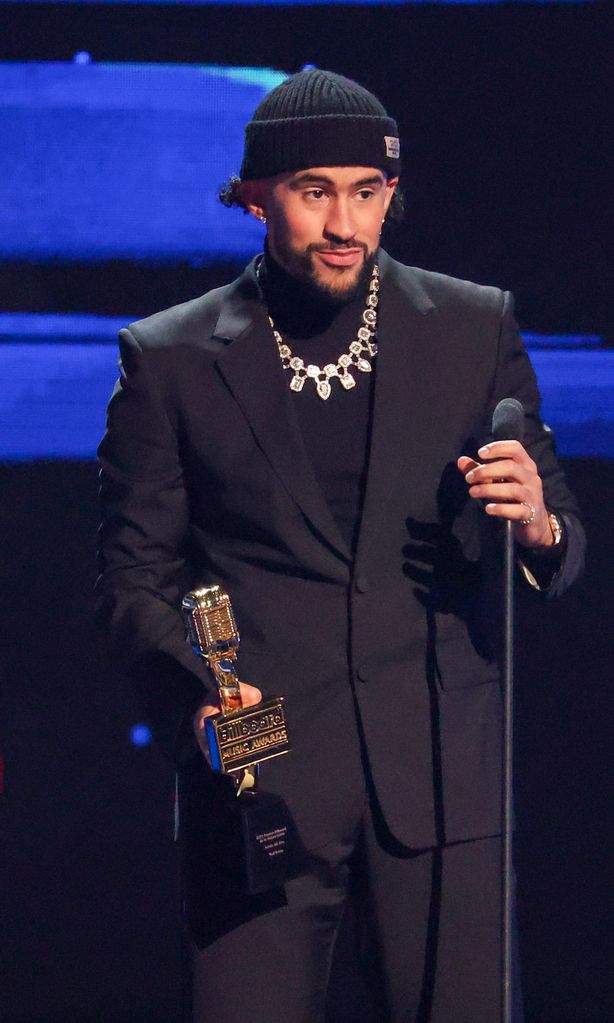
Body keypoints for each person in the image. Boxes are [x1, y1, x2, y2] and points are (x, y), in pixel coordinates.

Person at [95, 69, 585, 1023]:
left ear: (391, 193)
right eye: (314, 191)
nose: (345, 223)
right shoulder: (169, 357)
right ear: (255, 196)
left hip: (441, 781)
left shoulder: (472, 326)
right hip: (260, 784)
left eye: (368, 191)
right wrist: (200, 698)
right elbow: (131, 579)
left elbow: (561, 537)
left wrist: (538, 522)